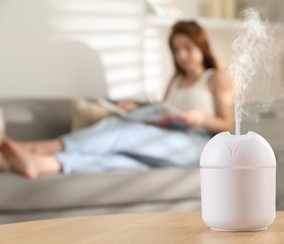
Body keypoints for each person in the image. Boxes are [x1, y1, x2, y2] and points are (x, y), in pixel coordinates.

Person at [0, 20, 233, 179]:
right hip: (167, 140)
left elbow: (229, 125)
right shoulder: (175, 80)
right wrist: (139, 109)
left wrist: (201, 118)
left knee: (122, 133)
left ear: (201, 46)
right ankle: (42, 164)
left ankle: (31, 148)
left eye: (187, 47)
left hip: (197, 145)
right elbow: (166, 111)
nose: (181, 55)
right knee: (119, 159)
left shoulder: (216, 78)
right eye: (176, 50)